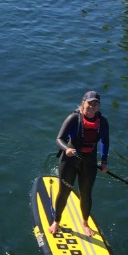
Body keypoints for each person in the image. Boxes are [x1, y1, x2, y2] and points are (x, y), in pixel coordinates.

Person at [48, 91, 109, 238]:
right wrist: (67, 149)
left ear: (98, 106)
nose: (92, 107)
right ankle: (56, 221)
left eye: (96, 105)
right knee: (64, 192)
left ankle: (85, 223)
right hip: (69, 160)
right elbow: (59, 139)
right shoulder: (74, 118)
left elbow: (105, 142)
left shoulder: (103, 122)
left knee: (86, 193)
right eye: (90, 103)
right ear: (83, 103)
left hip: (89, 162)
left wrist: (104, 161)